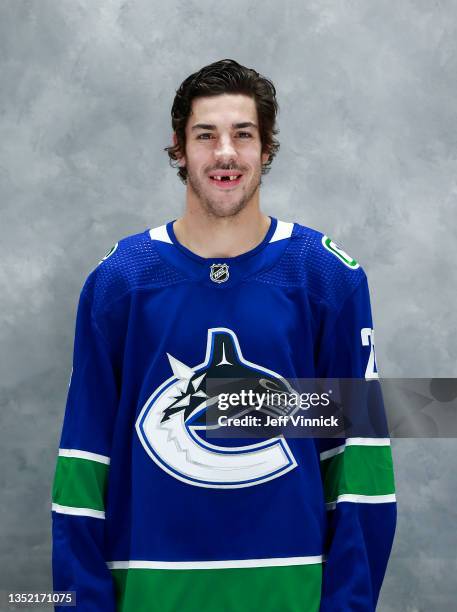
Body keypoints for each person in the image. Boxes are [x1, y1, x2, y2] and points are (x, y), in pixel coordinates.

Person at [51, 58, 396, 611]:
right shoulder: (120, 283)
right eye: (205, 135)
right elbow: (83, 466)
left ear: (266, 148)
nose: (225, 153)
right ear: (180, 149)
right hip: (149, 594)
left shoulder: (327, 279)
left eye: (243, 134)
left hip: (291, 593)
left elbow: (360, 465)